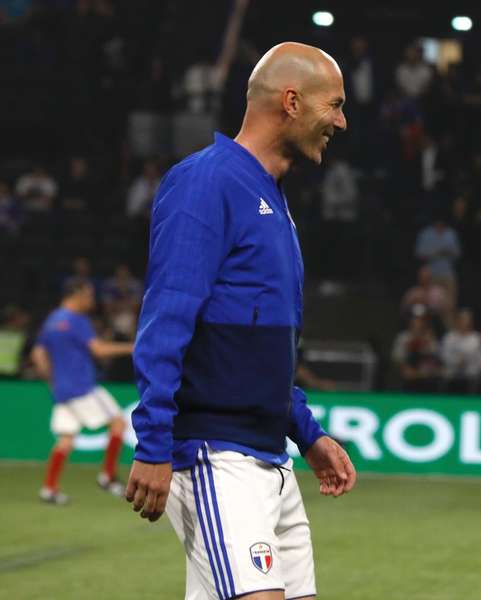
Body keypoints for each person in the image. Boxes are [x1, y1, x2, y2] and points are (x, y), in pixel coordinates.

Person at [125, 42, 357, 600]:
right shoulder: (207, 182)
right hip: (213, 453)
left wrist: (306, 431)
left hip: (269, 461)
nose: (342, 122)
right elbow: (167, 317)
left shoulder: (271, 199)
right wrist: (154, 442)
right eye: (335, 105)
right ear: (293, 101)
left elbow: (258, 346)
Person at [30, 278, 134, 505]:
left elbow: (38, 354)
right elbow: (98, 350)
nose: (91, 300)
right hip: (83, 387)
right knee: (118, 423)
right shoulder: (77, 320)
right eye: (88, 295)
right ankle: (107, 476)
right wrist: (132, 347)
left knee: (66, 440)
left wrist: (52, 381)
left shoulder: (52, 320)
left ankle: (49, 489)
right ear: (76, 294)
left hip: (61, 391)